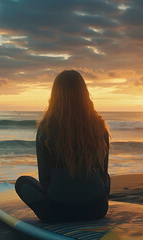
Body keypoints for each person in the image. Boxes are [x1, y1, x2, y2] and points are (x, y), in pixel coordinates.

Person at [15, 70, 110, 223]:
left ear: (55, 95)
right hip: (97, 210)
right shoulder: (99, 126)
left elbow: (44, 180)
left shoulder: (46, 128)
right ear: (85, 94)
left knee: (22, 183)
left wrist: (66, 191)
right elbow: (103, 175)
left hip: (58, 213)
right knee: (106, 180)